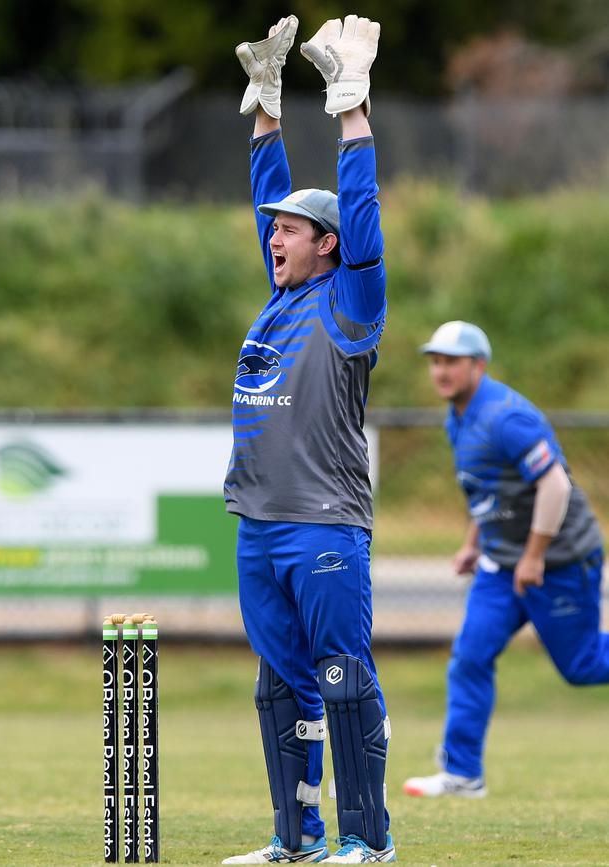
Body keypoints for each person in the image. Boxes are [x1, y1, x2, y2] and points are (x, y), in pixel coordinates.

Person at [222, 13, 396, 865]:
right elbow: (271, 182)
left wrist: (351, 112)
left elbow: (359, 218)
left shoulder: (348, 303)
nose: (273, 236)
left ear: (327, 245)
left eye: (288, 229)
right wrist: (267, 106)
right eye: (272, 227)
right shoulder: (283, 295)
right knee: (278, 684)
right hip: (258, 523)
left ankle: (369, 839)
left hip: (322, 523)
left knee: (341, 680)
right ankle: (297, 842)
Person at [403, 320, 608, 799]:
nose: (440, 371)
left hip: (557, 561)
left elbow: (554, 485)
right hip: (503, 563)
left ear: (479, 365)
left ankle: (461, 771)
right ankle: (462, 774)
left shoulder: (506, 417)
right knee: (470, 657)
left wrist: (535, 556)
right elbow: (488, 491)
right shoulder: (457, 414)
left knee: (581, 666)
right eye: (435, 361)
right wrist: (473, 542)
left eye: (451, 361)